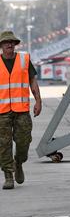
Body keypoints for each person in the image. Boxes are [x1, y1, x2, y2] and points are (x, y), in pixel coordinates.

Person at [0, 31, 42, 190]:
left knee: (24, 142)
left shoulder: (24, 59)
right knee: (3, 145)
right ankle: (8, 175)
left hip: (21, 110)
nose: (9, 45)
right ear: (1, 46)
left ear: (15, 44)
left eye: (11, 42)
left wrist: (38, 100)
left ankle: (19, 162)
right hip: (2, 111)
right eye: (6, 42)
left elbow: (32, 79)